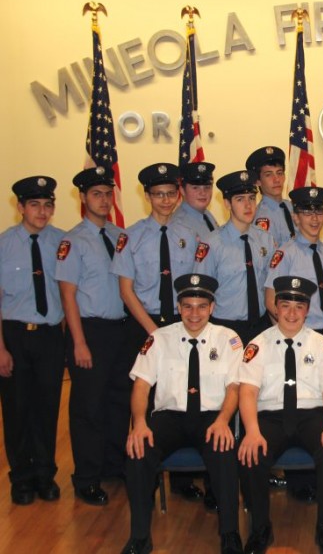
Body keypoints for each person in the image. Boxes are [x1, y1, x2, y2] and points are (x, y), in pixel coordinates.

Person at [121, 274, 244, 554]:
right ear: (178, 307)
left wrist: (224, 421)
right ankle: (140, 536)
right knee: (138, 451)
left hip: (211, 416)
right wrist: (139, 423)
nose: (194, 314)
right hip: (169, 418)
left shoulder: (229, 340)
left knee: (225, 451)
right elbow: (141, 386)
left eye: (201, 306)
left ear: (212, 308)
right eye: (187, 306)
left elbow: (234, 388)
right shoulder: (159, 338)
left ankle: (230, 533)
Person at [111, 162, 203, 503]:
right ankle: (143, 478)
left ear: (178, 195)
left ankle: (183, 479)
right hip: (143, 324)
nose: (165, 200)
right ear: (147, 195)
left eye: (170, 194)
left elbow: (196, 287)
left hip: (183, 325)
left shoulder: (190, 237)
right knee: (142, 398)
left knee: (182, 395)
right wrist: (153, 331)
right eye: (158, 194)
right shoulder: (130, 237)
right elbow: (125, 290)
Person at [238, 275, 323, 554]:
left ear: (307, 310)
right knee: (251, 455)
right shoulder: (258, 345)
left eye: (298, 307)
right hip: (270, 417)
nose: (291, 313)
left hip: (311, 415)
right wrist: (251, 431)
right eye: (285, 305)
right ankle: (261, 528)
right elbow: (247, 393)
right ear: (275, 307)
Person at [56, 167, 128, 506]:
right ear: (83, 198)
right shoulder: (73, 241)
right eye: (96, 194)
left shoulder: (119, 236)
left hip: (119, 330)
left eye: (107, 193)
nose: (103, 200)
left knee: (118, 401)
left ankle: (114, 465)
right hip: (90, 331)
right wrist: (79, 341)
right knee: (89, 407)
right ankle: (86, 477)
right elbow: (68, 295)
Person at [0, 176, 65, 505]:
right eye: (35, 204)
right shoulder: (4, 244)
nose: (43, 211)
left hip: (51, 335)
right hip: (14, 336)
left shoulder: (63, 243)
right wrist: (0, 349)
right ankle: (21, 478)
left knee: (47, 407)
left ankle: (44, 474)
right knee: (17, 408)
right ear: (20, 207)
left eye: (48, 204)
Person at [194, 170, 276, 345]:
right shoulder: (212, 244)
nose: (248, 205)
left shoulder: (265, 239)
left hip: (261, 326)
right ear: (227, 203)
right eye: (240, 199)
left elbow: (271, 287)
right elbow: (201, 293)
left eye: (252, 199)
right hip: (225, 328)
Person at [264, 187, 323, 345]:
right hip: (300, 335)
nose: (315, 219)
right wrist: (287, 331)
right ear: (296, 218)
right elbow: (270, 299)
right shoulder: (285, 255)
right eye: (307, 213)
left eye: (319, 213)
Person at [246, 146, 295, 246]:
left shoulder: (292, 207)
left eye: (279, 173)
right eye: (268, 175)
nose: (276, 179)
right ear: (258, 181)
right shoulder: (261, 218)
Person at [172, 161, 219, 239]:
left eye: (207, 187)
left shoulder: (206, 215)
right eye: (195, 188)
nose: (203, 193)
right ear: (182, 190)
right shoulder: (179, 225)